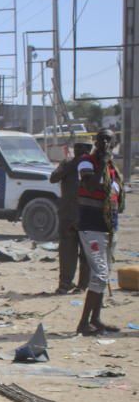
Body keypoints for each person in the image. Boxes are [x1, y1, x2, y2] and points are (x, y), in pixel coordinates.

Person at [74, 129, 123, 335]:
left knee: (103, 274)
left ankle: (96, 319)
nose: (104, 142)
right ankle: (83, 323)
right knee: (100, 275)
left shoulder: (113, 169)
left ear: (113, 143)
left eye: (108, 139)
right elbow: (91, 185)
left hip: (108, 228)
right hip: (91, 228)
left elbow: (117, 198)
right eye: (101, 138)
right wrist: (102, 160)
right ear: (95, 141)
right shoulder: (87, 162)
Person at [49, 142, 92, 294]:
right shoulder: (68, 163)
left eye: (85, 149)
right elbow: (53, 178)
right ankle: (65, 283)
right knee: (67, 251)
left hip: (87, 216)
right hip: (68, 215)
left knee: (86, 253)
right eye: (78, 148)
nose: (81, 152)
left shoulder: (94, 165)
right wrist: (73, 164)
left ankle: (82, 285)